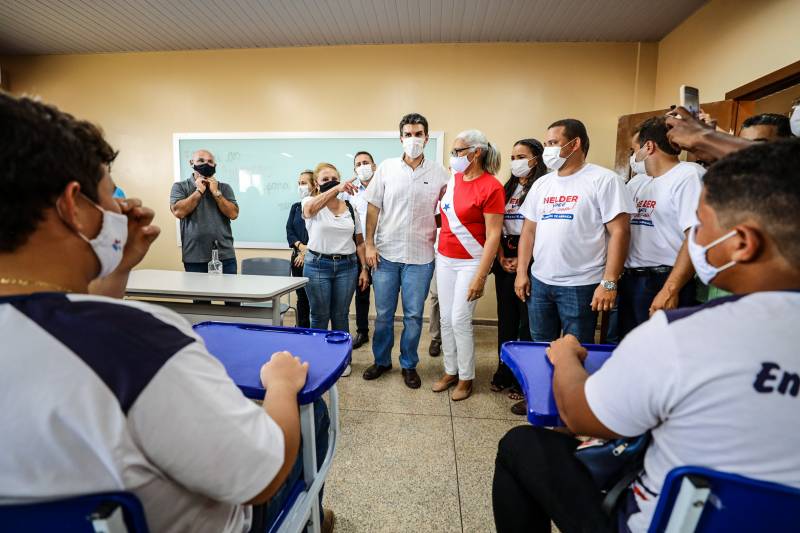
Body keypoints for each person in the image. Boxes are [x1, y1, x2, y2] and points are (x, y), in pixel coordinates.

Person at [0, 92, 336, 533]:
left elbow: (65, 321)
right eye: (110, 193)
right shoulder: (139, 338)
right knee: (317, 415)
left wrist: (117, 265)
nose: (122, 206)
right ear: (75, 207)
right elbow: (261, 477)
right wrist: (280, 385)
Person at [492, 138, 800, 533]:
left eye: (702, 225)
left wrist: (567, 356)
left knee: (525, 445)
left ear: (742, 244)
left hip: (669, 521)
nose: (693, 239)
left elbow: (580, 414)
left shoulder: (681, 336)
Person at [515, 119, 635, 343]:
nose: (547, 149)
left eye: (553, 142)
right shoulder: (542, 184)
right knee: (540, 345)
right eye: (546, 143)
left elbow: (620, 232)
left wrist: (609, 283)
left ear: (575, 143)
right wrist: (522, 272)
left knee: (576, 351)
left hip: (581, 285)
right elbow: (528, 231)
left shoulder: (605, 180)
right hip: (540, 282)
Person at [362, 113, 449, 389]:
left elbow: (446, 213)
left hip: (421, 258)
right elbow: (373, 209)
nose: (414, 139)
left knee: (413, 315)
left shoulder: (439, 173)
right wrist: (369, 245)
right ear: (401, 138)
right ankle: (382, 360)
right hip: (386, 255)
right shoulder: (386, 169)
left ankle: (409, 364)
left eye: (419, 134)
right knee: (384, 314)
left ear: (426, 137)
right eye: (408, 134)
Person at [430, 130, 504, 401]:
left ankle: (466, 377)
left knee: (460, 319)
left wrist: (481, 277)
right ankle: (450, 370)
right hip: (446, 258)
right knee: (446, 319)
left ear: (476, 153)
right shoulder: (453, 180)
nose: (454, 157)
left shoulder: (491, 186)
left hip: (472, 261)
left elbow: (494, 234)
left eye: (458, 151)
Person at [618, 116, 703, 339]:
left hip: (665, 279)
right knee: (630, 349)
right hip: (630, 279)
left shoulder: (688, 175)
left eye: (634, 150)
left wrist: (670, 289)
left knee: (662, 352)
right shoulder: (638, 182)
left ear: (648, 146)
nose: (633, 157)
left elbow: (695, 235)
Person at [490, 139, 547, 401]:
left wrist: (523, 263)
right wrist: (502, 258)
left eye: (521, 156)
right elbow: (495, 228)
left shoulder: (543, 188)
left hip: (532, 261)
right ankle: (504, 371)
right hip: (505, 259)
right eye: (513, 157)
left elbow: (539, 232)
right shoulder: (506, 189)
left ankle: (522, 377)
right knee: (507, 321)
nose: (516, 162)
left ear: (536, 159)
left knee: (528, 323)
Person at [303, 163, 369, 377]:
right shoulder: (309, 202)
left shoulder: (350, 208)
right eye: (325, 179)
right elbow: (310, 210)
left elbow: (359, 242)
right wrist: (337, 188)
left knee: (341, 315)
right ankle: (318, 359)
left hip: (347, 266)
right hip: (317, 265)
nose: (330, 181)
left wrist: (364, 269)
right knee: (319, 316)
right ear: (316, 184)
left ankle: (341, 360)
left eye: (334, 178)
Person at [170, 149, 240, 274]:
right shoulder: (180, 187)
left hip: (225, 257)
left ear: (215, 166)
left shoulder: (224, 188)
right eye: (201, 161)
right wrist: (199, 191)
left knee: (228, 293)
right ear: (192, 163)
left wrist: (216, 192)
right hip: (194, 258)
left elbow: (233, 214)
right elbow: (179, 212)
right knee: (198, 293)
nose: (206, 165)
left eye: (210, 162)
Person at [347, 151, 377, 349]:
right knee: (362, 291)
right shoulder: (349, 192)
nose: (362, 166)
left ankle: (385, 330)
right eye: (358, 164)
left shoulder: (384, 186)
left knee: (385, 294)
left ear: (374, 166)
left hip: (383, 248)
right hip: (360, 248)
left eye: (366, 162)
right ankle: (362, 331)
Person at [286, 170, 316, 328]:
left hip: (315, 258)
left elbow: (319, 234)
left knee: (315, 298)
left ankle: (315, 329)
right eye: (299, 183)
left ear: (314, 185)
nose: (300, 186)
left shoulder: (320, 206)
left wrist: (307, 252)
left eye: (304, 183)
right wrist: (300, 247)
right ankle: (302, 328)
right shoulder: (296, 207)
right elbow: (289, 231)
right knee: (301, 297)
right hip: (296, 258)